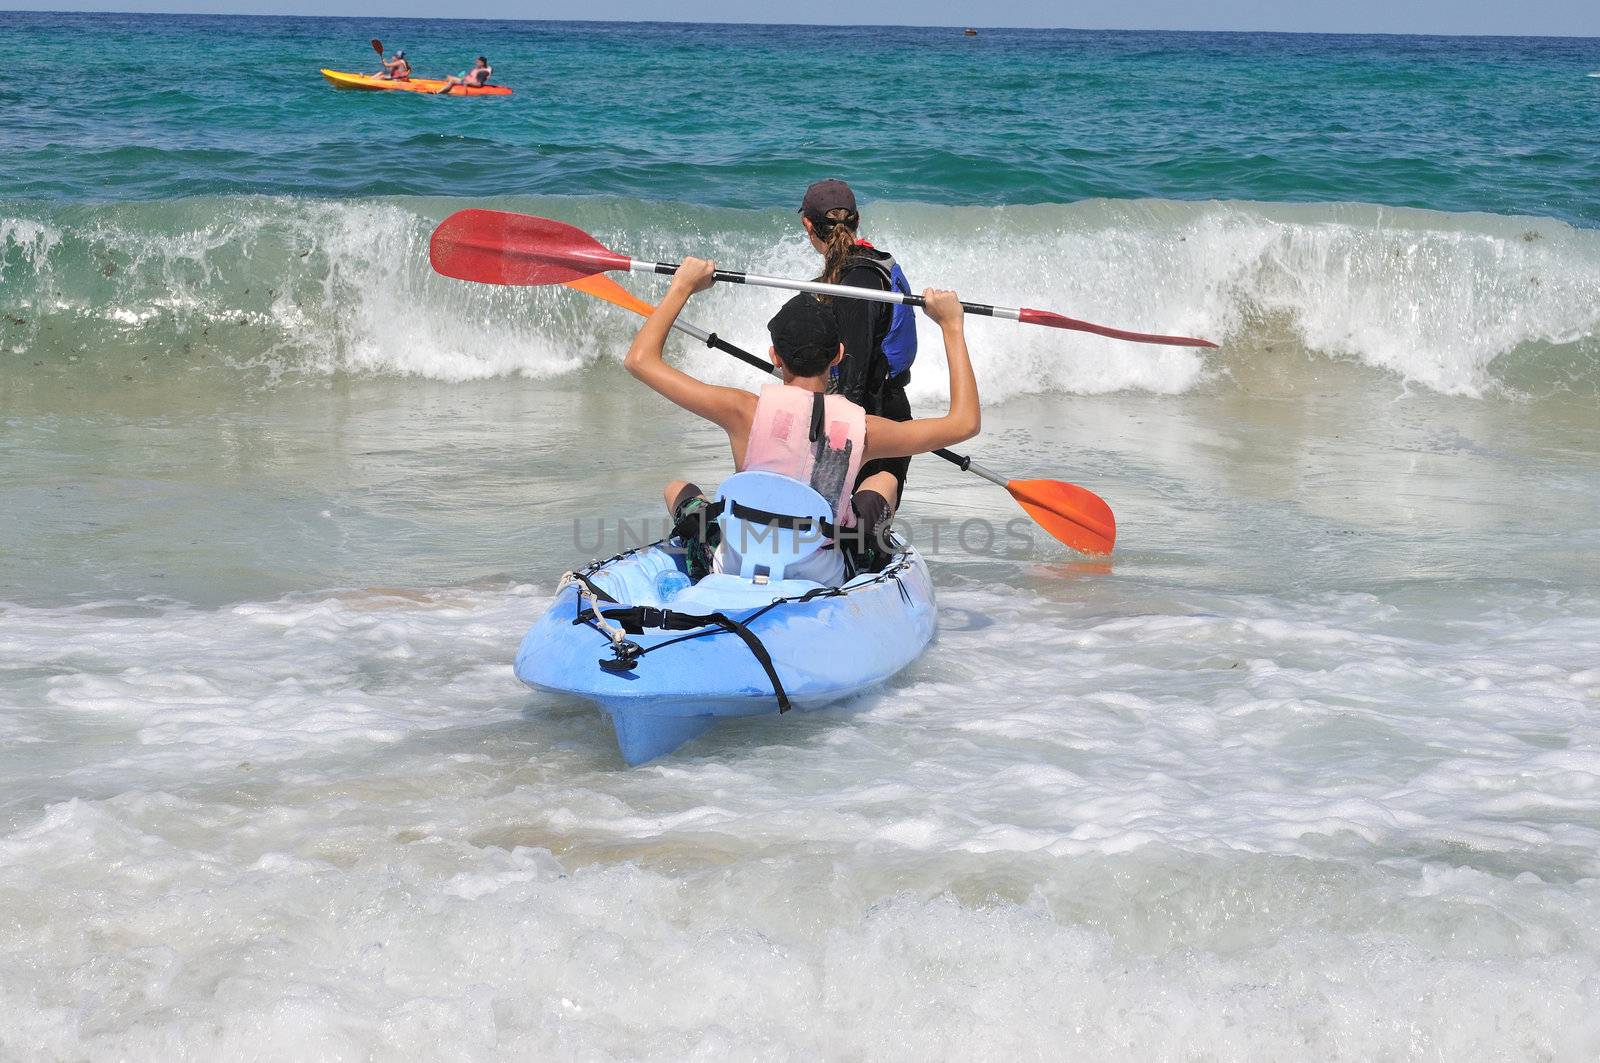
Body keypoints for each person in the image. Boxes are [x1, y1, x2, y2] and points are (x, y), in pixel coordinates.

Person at [623, 258, 979, 586]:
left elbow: (640, 361)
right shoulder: (865, 430)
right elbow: (965, 423)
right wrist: (951, 325)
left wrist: (683, 285)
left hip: (736, 565)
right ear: (838, 355)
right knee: (884, 480)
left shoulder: (742, 410)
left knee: (677, 488)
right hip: (822, 573)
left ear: (775, 356)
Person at [797, 178, 919, 514]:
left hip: (871, 415)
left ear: (808, 225)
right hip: (873, 410)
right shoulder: (852, 273)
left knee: (850, 523)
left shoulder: (859, 280)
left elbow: (854, 373)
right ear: (857, 220)